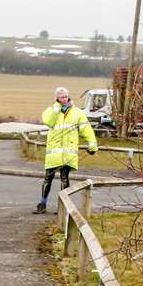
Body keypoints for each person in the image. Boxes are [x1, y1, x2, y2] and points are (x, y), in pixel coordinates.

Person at [35, 85, 98, 213]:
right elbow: (48, 121)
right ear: (56, 98)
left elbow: (86, 129)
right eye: (61, 97)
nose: (64, 99)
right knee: (48, 177)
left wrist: (92, 145)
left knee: (65, 178)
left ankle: (63, 207)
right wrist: (56, 108)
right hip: (54, 153)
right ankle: (42, 204)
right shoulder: (50, 111)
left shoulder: (77, 113)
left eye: (65, 96)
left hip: (68, 153)